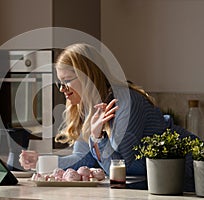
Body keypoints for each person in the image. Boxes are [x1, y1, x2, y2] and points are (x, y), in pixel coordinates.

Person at [19, 43, 197, 191]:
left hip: (190, 169)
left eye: (67, 81)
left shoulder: (126, 102)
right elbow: (84, 157)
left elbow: (125, 167)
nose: (62, 89)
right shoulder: (87, 108)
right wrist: (40, 161)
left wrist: (98, 138)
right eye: (60, 82)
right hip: (161, 181)